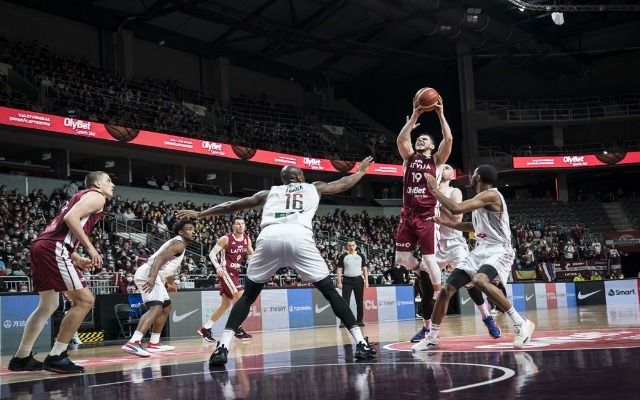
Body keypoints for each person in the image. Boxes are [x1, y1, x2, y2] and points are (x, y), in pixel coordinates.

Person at [177, 156, 377, 366]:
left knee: (247, 297)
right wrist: (360, 171)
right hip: (299, 236)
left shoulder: (269, 192)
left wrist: (201, 213)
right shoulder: (314, 187)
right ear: (299, 177)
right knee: (330, 292)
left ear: (284, 180)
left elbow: (232, 205)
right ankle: (361, 343)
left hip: (269, 237)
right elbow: (342, 184)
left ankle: (223, 347)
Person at [414, 165, 535, 350]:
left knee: (479, 280)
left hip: (499, 250)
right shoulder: (480, 200)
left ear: (478, 178)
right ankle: (432, 337)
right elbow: (473, 226)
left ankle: (521, 323)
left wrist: (434, 190)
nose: (471, 176)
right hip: (481, 250)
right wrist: (444, 222)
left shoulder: (491, 195)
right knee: (446, 290)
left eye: (473, 173)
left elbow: (456, 209)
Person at [8, 171, 115, 373]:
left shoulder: (79, 197)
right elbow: (70, 218)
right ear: (97, 184)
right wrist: (90, 248)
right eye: (108, 181)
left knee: (48, 305)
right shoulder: (96, 196)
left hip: (42, 245)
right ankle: (57, 356)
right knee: (84, 301)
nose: (113, 185)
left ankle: (21, 357)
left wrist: (77, 258)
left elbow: (59, 231)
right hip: (52, 248)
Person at [415, 163, 501, 348]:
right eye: (443, 166)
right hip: (435, 244)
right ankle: (427, 328)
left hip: (455, 244)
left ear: (452, 175)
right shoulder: (428, 191)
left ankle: (487, 317)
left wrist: (437, 202)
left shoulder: (454, 192)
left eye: (448, 167)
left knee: (470, 282)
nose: (445, 168)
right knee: (426, 285)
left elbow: (457, 218)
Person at [395, 94, 453, 343]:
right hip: (408, 214)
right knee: (401, 259)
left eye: (425, 139)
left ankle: (439, 293)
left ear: (432, 146)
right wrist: (415, 117)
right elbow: (401, 139)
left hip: (427, 216)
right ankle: (421, 270)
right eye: (419, 138)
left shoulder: (437, 161)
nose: (420, 139)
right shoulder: (408, 159)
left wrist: (440, 113)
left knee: (430, 258)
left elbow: (448, 139)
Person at [121, 219, 196, 357]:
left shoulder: (179, 244)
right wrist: (152, 277)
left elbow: (167, 265)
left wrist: (170, 281)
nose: (193, 232)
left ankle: (154, 343)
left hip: (155, 276)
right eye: (189, 229)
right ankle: (133, 342)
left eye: (193, 229)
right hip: (149, 274)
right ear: (181, 232)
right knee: (155, 307)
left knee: (166, 307)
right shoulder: (178, 244)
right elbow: (159, 259)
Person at [197, 218, 255, 343]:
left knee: (226, 304)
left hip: (235, 273)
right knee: (243, 299)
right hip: (225, 272)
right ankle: (236, 328)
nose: (241, 226)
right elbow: (212, 254)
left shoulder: (247, 239)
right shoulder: (226, 239)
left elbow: (251, 254)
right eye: (238, 224)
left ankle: (205, 329)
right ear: (233, 226)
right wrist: (217, 267)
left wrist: (255, 264)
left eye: (242, 223)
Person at [336, 240, 368, 327]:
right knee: (345, 302)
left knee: (359, 302)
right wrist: (339, 282)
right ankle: (344, 321)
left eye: (353, 245)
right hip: (347, 281)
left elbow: (364, 269)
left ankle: (359, 320)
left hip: (358, 280)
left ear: (356, 246)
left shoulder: (360, 255)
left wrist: (366, 281)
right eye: (349, 245)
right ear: (347, 246)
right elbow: (339, 270)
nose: (351, 247)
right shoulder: (343, 256)